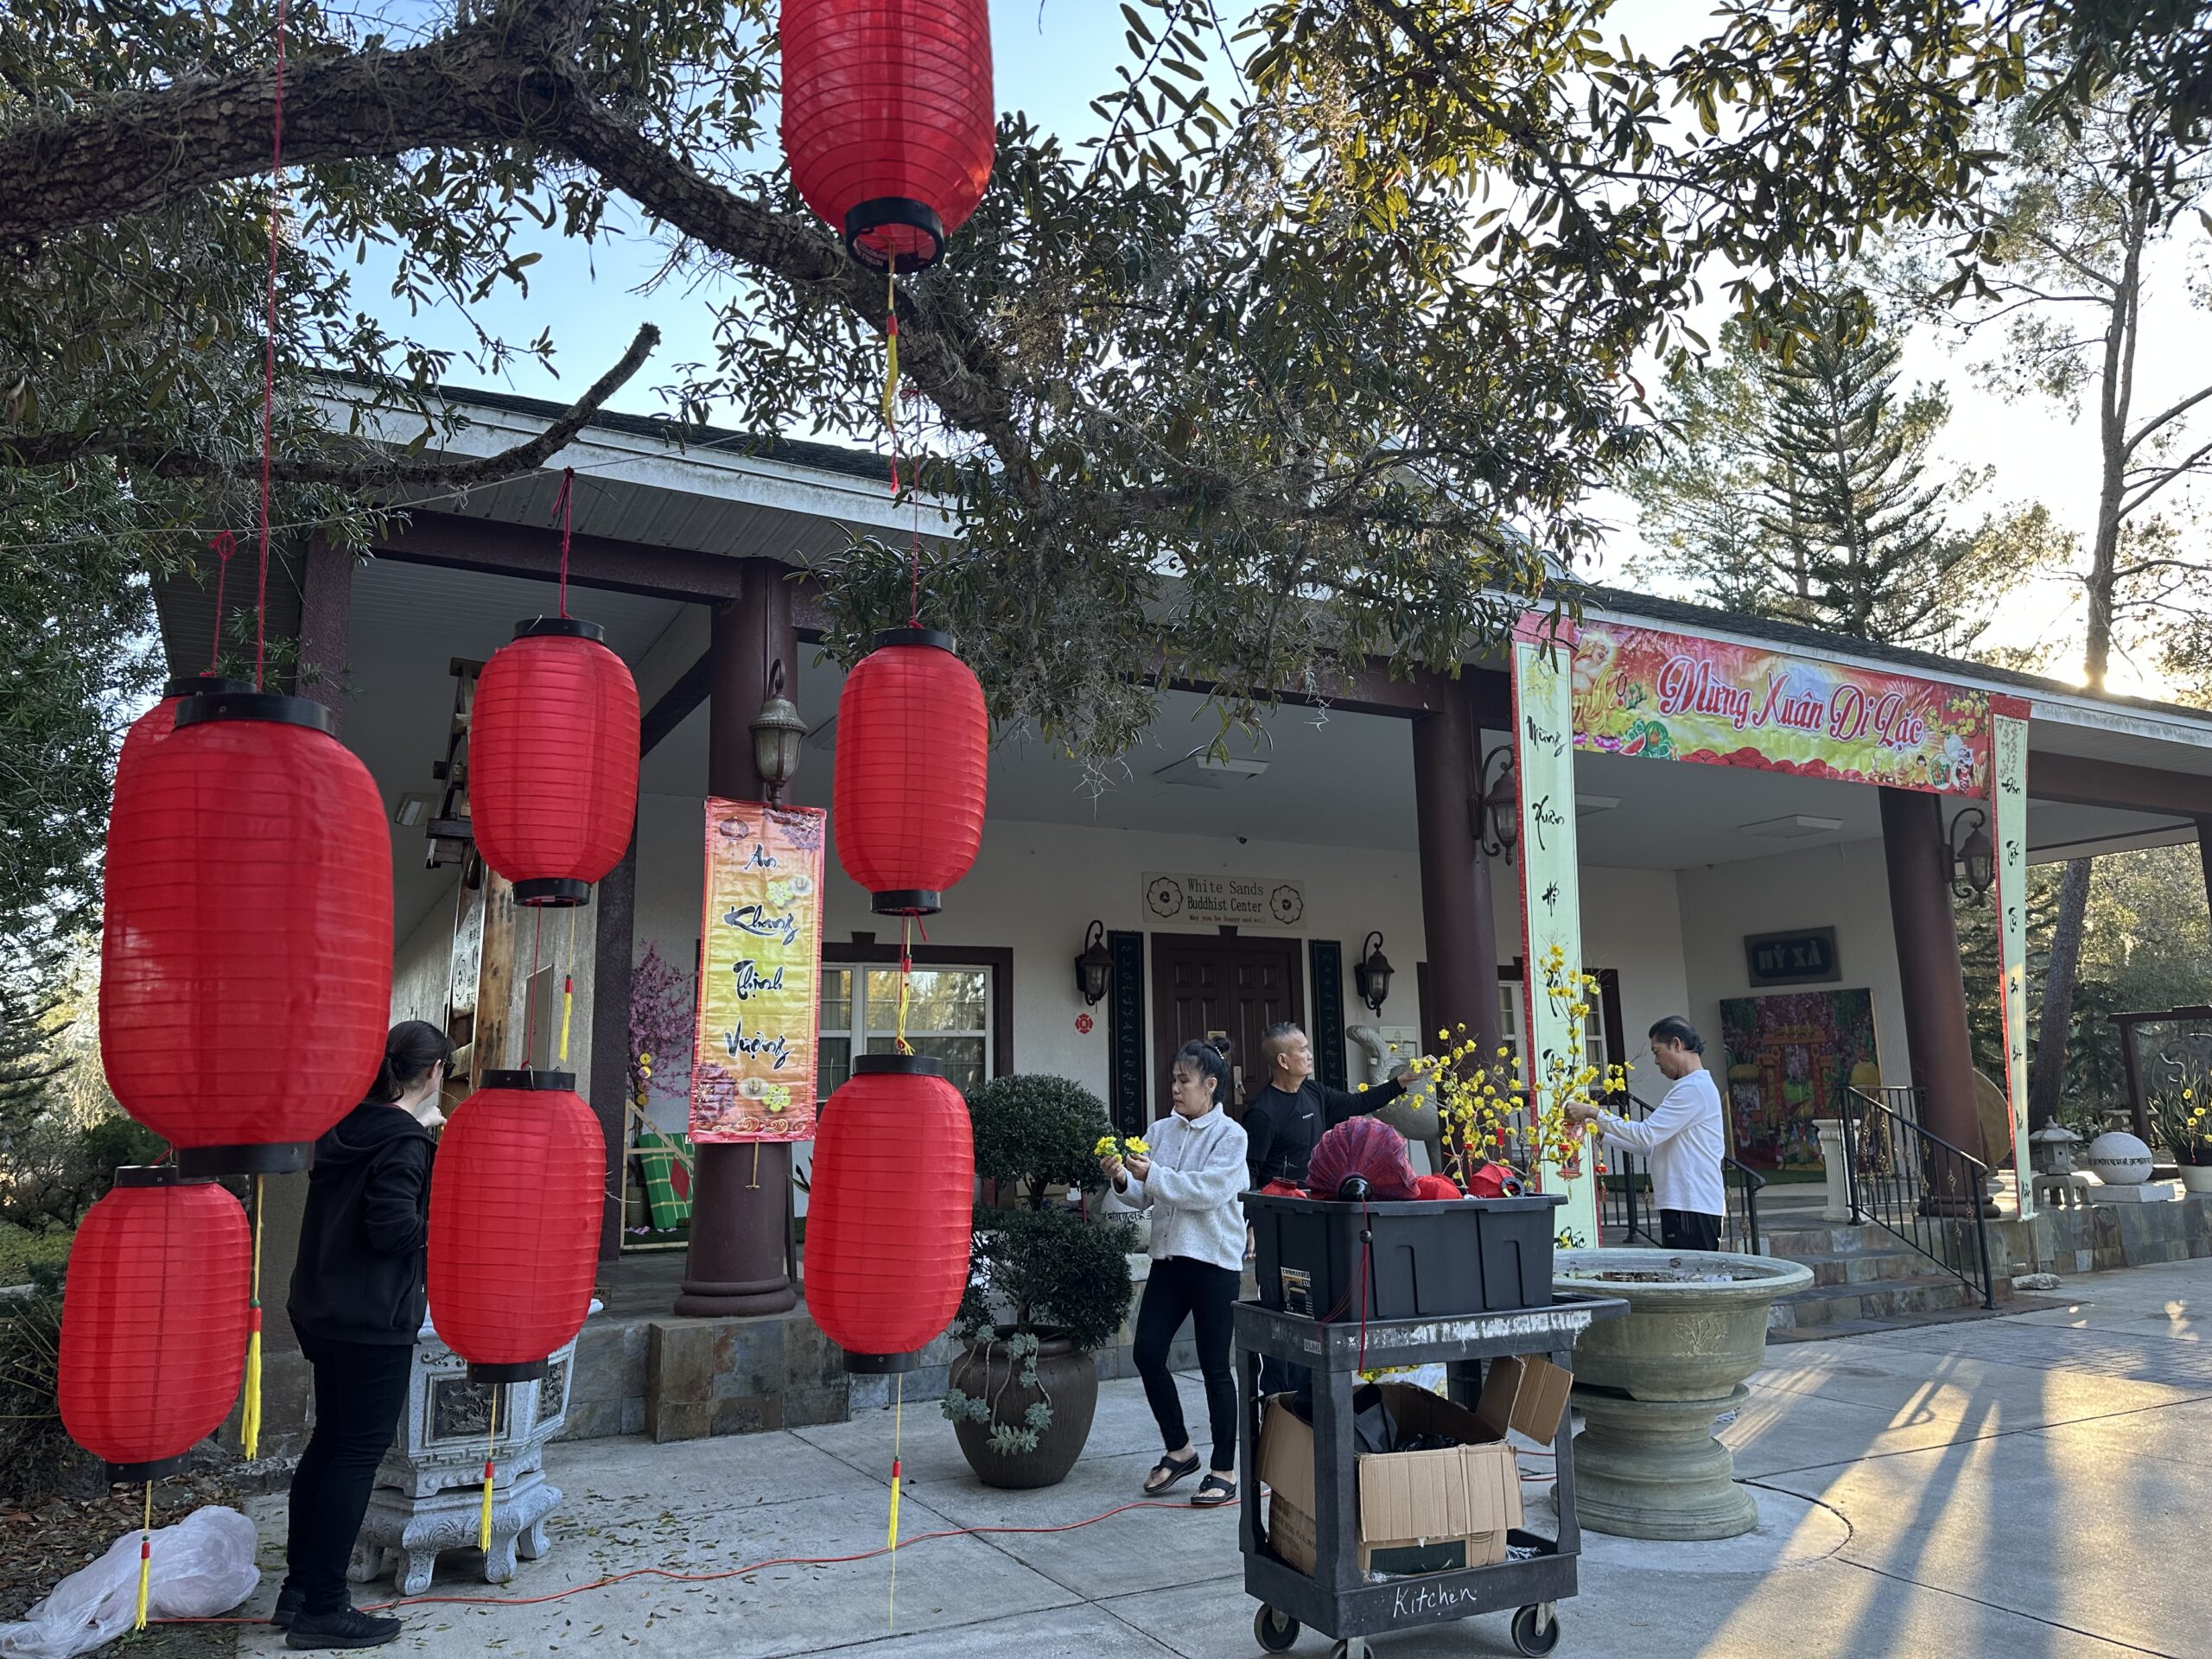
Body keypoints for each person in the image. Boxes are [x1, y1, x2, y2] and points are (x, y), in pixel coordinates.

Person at [275, 1020, 451, 1649]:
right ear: (434, 1073)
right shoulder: (403, 1141)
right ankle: (324, 1609)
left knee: (329, 1445)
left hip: (322, 1309)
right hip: (370, 1320)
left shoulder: (345, 1126)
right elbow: (393, 1231)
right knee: (354, 1455)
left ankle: (298, 1592)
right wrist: (454, 1216)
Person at [1102, 1039, 1249, 1509]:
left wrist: (1152, 1175)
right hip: (1167, 1259)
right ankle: (1180, 1449)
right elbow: (1143, 1196)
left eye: (1185, 1080)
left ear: (1211, 1085)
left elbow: (1206, 1192)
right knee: (1147, 1353)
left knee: (1214, 1368)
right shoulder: (1160, 1130)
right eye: (1173, 1080)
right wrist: (1122, 1177)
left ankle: (1223, 1471)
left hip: (1214, 1264)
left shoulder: (1231, 1136)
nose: (1176, 1088)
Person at [1567, 1015, 1726, 1251]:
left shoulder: (1693, 1088)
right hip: (1687, 1204)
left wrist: (1594, 1112)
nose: (1655, 1061)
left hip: (1691, 1204)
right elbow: (1651, 1145)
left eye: (1657, 1051)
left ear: (1676, 1044)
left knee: (1691, 1272)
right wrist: (1603, 1133)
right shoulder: (1691, 1087)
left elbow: (1646, 1134)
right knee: (1684, 1271)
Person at [1243, 1022, 1413, 1191]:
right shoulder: (1262, 1112)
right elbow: (1249, 1172)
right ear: (1283, 1061)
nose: (1310, 1056)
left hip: (1318, 1198)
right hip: (1282, 1204)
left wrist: (1403, 1080)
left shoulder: (1314, 1091)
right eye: (1303, 1050)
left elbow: (1359, 1103)